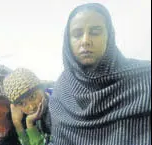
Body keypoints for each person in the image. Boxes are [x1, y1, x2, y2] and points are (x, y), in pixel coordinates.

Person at [48, 3, 151, 145]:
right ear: (68, 41)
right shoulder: (62, 90)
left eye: (95, 32)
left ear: (109, 35)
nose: (85, 41)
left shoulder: (145, 78)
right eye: (77, 34)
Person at [3, 68, 53, 145]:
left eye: (33, 97)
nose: (31, 107)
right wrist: (17, 123)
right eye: (22, 104)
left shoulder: (57, 108)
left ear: (42, 88)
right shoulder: (34, 117)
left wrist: (29, 124)